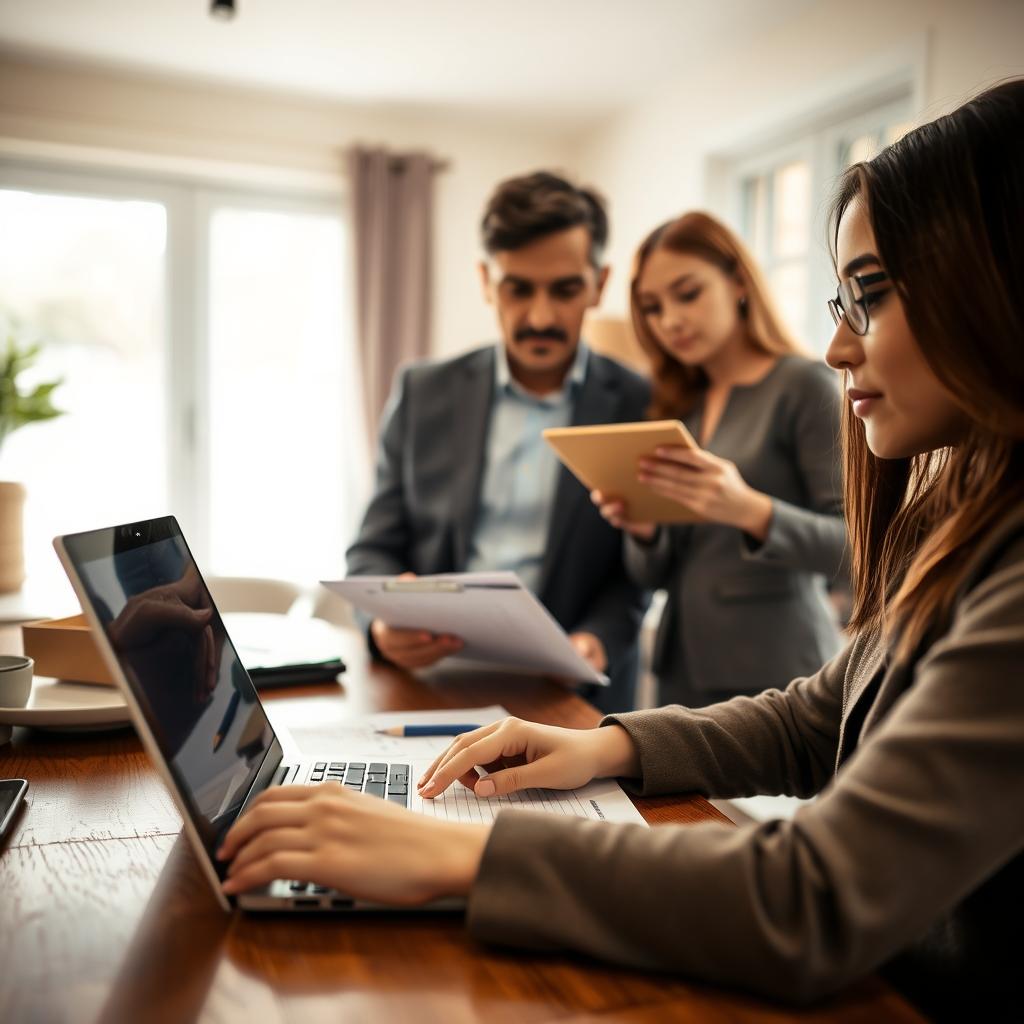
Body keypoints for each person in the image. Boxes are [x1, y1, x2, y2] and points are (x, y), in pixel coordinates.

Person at [218, 80, 1024, 1020]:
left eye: (870, 299)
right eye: (840, 299)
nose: (841, 346)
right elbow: (819, 716)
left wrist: (454, 850)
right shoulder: (956, 508)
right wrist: (604, 744)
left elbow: (815, 893)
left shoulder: (708, 402)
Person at [345, 171, 651, 713]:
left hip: (571, 698)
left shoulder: (638, 402)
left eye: (565, 290)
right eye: (518, 289)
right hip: (430, 684)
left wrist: (598, 642)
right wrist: (381, 625)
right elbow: (373, 546)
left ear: (599, 284)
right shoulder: (423, 392)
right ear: (487, 281)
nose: (540, 317)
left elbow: (637, 570)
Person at [592, 211, 847, 706]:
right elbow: (654, 577)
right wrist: (642, 529)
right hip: (678, 673)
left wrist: (750, 510)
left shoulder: (804, 386)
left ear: (738, 282)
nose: (670, 321)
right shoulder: (677, 406)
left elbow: (857, 549)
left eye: (688, 294)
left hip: (777, 675)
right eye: (652, 307)